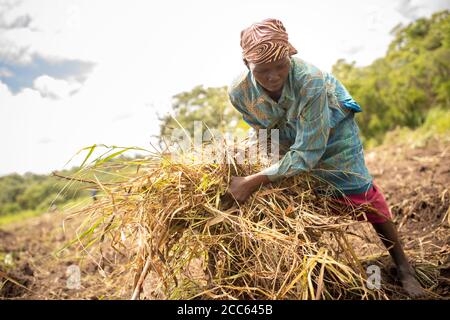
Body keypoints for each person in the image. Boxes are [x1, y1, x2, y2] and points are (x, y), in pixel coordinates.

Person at [227, 18, 424, 298]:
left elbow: (308, 152)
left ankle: (404, 268)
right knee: (296, 198)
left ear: (290, 56)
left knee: (360, 192)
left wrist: (252, 181)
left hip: (332, 130)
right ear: (247, 65)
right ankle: (319, 274)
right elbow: (261, 129)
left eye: (280, 66)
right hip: (286, 132)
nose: (273, 77)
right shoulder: (239, 92)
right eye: (262, 70)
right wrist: (257, 160)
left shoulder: (310, 81)